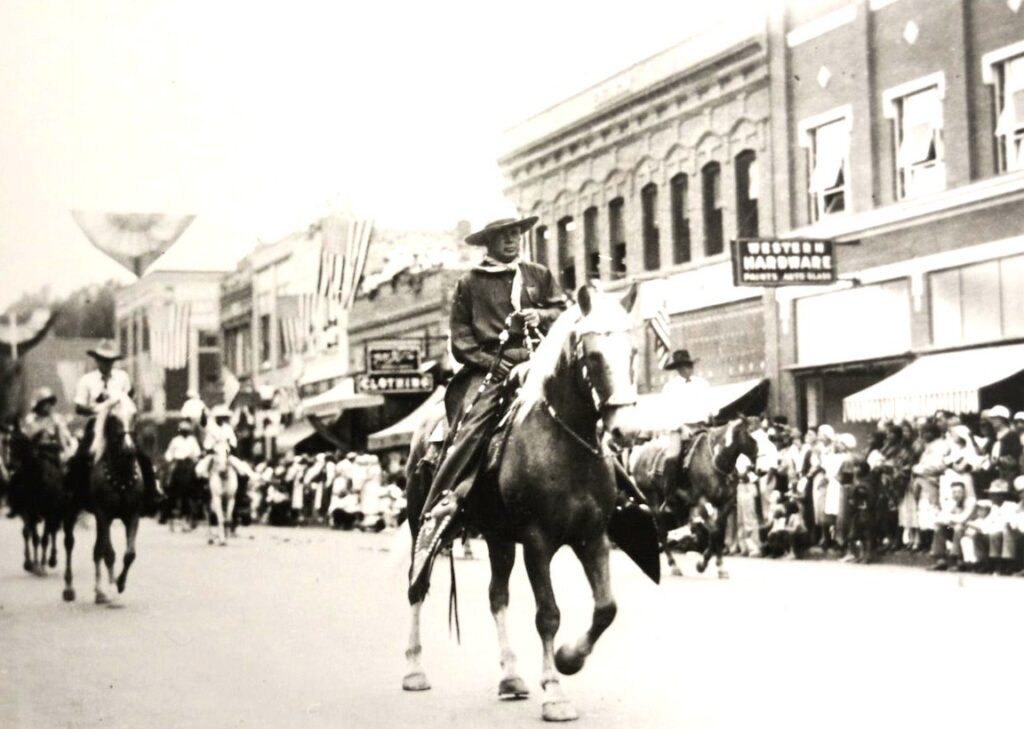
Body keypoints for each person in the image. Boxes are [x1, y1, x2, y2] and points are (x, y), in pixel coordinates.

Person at [410, 216, 567, 594]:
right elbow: (461, 340)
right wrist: (493, 363)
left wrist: (542, 315)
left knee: (579, 411)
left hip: (539, 362)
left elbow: (563, 311)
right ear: (489, 242)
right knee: (474, 423)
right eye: (504, 236)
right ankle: (444, 501)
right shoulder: (470, 283)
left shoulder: (538, 275)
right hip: (489, 369)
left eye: (516, 234)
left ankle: (615, 497)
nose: (512, 241)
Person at [67, 340, 156, 502]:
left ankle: (151, 492)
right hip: (97, 424)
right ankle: (74, 496)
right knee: (81, 456)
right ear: (97, 360)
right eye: (103, 360)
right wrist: (99, 408)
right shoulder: (87, 380)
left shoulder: (122, 377)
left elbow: (129, 399)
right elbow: (79, 407)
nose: (107, 364)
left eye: (110, 360)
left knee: (141, 455)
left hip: (120, 423)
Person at [21, 387, 76, 462]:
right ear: (39, 405)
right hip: (37, 455)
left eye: (50, 403)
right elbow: (27, 438)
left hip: (55, 454)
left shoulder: (56, 419)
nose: (49, 406)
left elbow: (66, 437)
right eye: (46, 403)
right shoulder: (30, 420)